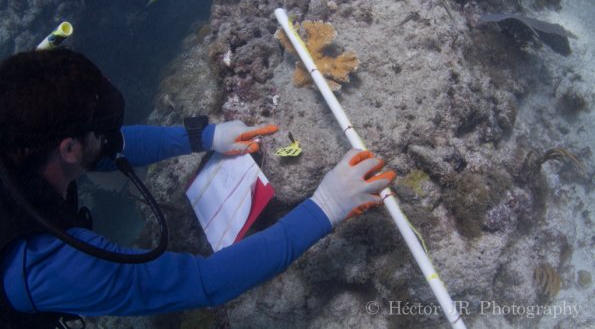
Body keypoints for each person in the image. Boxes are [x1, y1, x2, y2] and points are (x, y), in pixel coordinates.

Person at [0, 49, 396, 328]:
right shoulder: (45, 266)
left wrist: (205, 136)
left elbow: (108, 148)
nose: (109, 138)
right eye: (99, 131)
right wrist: (325, 207)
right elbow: (204, 283)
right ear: (67, 148)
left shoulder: (20, 132)